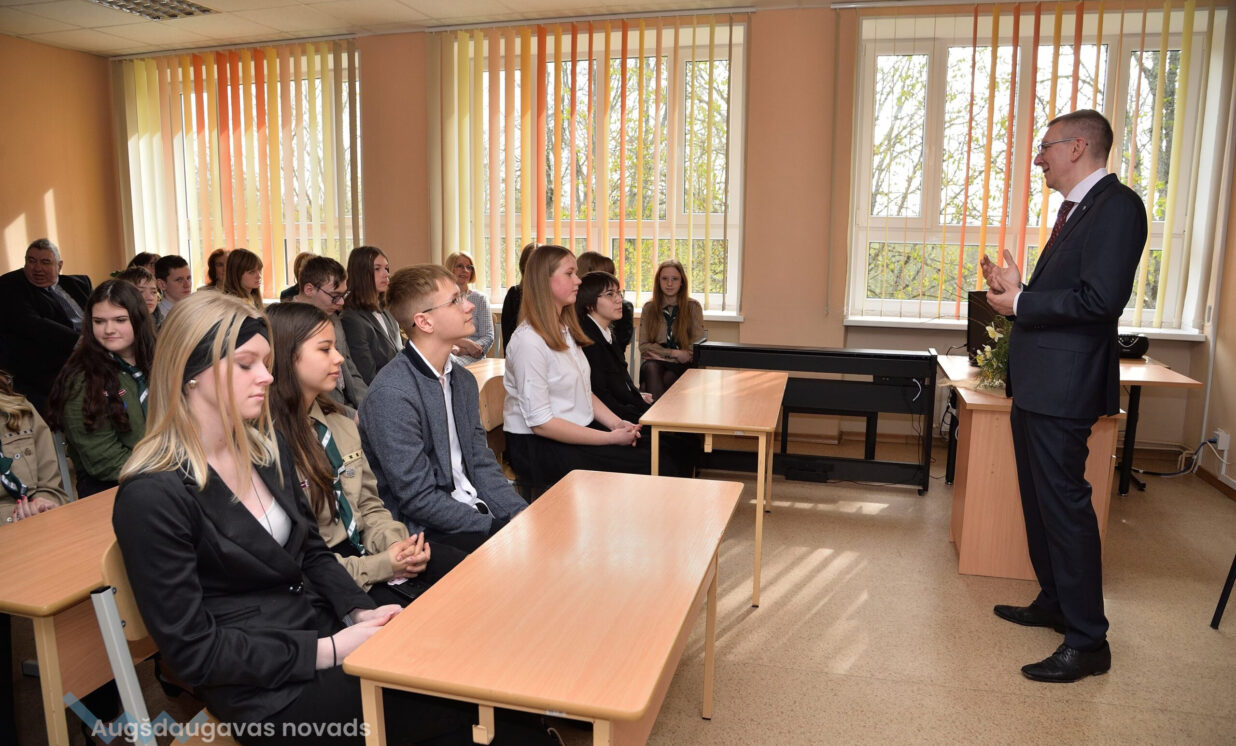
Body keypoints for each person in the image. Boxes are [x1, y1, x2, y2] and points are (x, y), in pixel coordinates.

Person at [111, 291, 554, 745]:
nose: (267, 376)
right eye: (246, 364)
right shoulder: (152, 495)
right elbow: (194, 652)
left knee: (474, 667)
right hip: (264, 689)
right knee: (464, 692)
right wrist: (331, 649)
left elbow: (311, 552)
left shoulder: (265, 451)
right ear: (189, 373)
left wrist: (360, 611)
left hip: (318, 626)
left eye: (266, 362)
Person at [982, 109, 1147, 683]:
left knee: (1066, 508)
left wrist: (1023, 303)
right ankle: (1055, 601)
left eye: (1046, 147)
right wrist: (1019, 291)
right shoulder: (1077, 210)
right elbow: (1069, 296)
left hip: (1065, 386)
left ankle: (1088, 640)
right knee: (1039, 502)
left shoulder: (1117, 207)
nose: (1038, 159)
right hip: (1039, 383)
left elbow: (1100, 301)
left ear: (1078, 147)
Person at [267, 303, 464, 606]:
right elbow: (303, 559)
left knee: (467, 573)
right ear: (286, 356)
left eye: (336, 347)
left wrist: (397, 544)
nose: (339, 358)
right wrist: (382, 565)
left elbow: (369, 506)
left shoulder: (341, 425)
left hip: (368, 552)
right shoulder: (269, 445)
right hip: (326, 576)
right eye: (325, 349)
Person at [358, 265, 528, 554]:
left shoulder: (462, 380)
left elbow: (480, 463)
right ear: (424, 322)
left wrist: (520, 514)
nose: (469, 305)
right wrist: (494, 528)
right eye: (455, 300)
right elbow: (418, 499)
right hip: (424, 534)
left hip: (471, 511)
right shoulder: (392, 394)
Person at [503, 246, 692, 491]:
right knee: (660, 463)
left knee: (668, 450)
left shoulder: (564, 330)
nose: (578, 280)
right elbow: (541, 424)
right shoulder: (529, 341)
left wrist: (616, 424)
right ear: (544, 281)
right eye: (569, 273)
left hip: (573, 429)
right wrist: (609, 438)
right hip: (538, 447)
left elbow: (584, 391)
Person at [46, 280, 154, 498]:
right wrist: (165, 473)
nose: (108, 330)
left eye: (120, 320)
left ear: (138, 319)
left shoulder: (161, 362)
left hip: (167, 472)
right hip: (113, 485)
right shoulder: (82, 378)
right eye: (99, 321)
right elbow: (104, 461)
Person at [0, 238, 92, 413]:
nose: (37, 268)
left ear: (59, 265)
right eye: (31, 261)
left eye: (45, 262)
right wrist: (79, 341)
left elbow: (99, 313)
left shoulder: (80, 283)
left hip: (93, 350)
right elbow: (30, 322)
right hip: (51, 361)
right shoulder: (11, 285)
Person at [287, 257, 368, 410]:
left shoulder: (333, 318)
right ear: (309, 289)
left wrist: (368, 404)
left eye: (343, 295)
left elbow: (349, 367)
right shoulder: (286, 324)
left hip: (348, 405)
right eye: (335, 296)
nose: (341, 302)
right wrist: (351, 415)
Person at [575, 271, 652, 423]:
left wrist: (636, 395)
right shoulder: (588, 340)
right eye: (610, 294)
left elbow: (619, 382)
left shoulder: (606, 332)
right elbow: (602, 397)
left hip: (623, 409)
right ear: (589, 303)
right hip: (610, 419)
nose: (619, 300)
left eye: (618, 293)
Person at [0, 369, 70, 523]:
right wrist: (13, 515)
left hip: (39, 523)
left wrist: (40, 505)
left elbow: (52, 488)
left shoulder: (20, 410)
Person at [639, 259, 705, 399]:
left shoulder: (693, 307)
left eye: (675, 279)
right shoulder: (649, 308)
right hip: (656, 363)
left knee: (647, 386)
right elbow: (644, 346)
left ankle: (652, 414)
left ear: (682, 282)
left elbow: (695, 349)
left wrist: (663, 357)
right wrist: (674, 353)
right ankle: (661, 414)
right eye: (665, 279)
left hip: (683, 366)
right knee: (652, 367)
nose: (669, 284)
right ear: (658, 281)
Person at [340, 246, 401, 384]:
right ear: (361, 274)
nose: (386, 274)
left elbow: (399, 354)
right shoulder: (351, 319)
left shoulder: (386, 311)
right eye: (377, 269)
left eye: (386, 268)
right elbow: (367, 375)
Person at [575, 251, 634, 357]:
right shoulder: (568, 311)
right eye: (603, 275)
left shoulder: (622, 309)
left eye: (611, 274)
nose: (619, 299)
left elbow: (617, 353)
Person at [443, 252, 493, 365]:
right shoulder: (441, 299)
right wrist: (465, 343)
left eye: (469, 267)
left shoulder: (480, 299)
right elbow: (439, 335)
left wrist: (465, 350)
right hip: (448, 353)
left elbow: (488, 336)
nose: (465, 270)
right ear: (450, 269)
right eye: (459, 266)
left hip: (474, 357)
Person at [500, 242, 537, 353]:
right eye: (532, 262)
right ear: (523, 266)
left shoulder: (554, 295)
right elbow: (508, 336)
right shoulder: (513, 294)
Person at [154, 254, 193, 327]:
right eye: (179, 280)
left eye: (188, 278)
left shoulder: (197, 309)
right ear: (162, 284)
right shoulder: (156, 318)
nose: (187, 285)